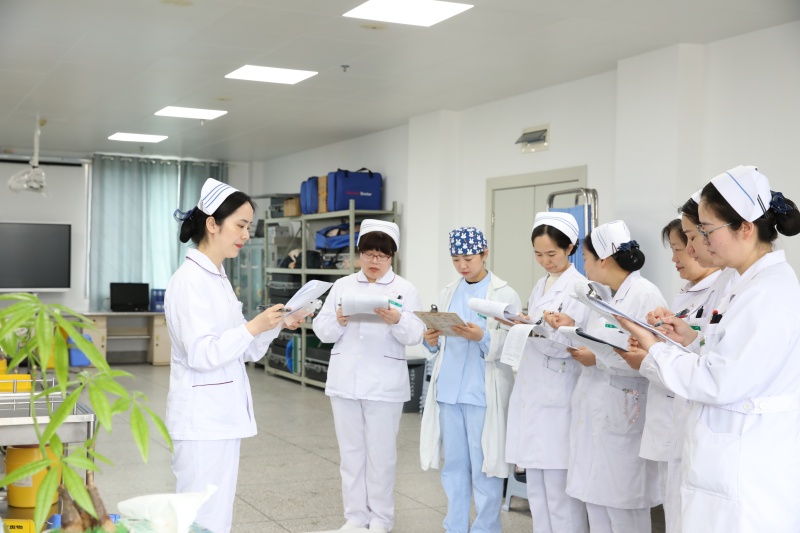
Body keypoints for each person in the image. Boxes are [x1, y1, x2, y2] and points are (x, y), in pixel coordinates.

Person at [620, 166, 800, 532]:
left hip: (746, 467)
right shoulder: (747, 284)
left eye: (706, 230)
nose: (698, 243)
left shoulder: (766, 293)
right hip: (729, 455)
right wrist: (691, 337)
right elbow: (731, 351)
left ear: (745, 228)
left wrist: (656, 350)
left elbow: (718, 380)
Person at [165, 178, 296, 533]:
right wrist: (252, 327)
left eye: (248, 227)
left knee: (217, 516)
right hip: (201, 421)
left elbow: (244, 349)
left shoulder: (218, 278)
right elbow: (202, 353)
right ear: (212, 224)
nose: (246, 235)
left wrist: (275, 325)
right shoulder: (189, 281)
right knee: (199, 519)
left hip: (221, 417)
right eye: (240, 225)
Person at [549, 220, 665, 533]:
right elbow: (604, 338)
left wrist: (597, 358)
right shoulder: (604, 295)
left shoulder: (644, 295)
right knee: (597, 504)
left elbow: (654, 357)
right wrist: (574, 329)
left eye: (586, 258)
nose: (584, 265)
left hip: (624, 409)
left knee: (623, 509)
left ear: (604, 260)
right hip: (598, 406)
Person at [312, 219, 425, 533]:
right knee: (351, 455)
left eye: (381, 256)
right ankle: (355, 518)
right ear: (359, 253)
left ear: (392, 256)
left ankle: (381, 520)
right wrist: (338, 320)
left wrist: (397, 320)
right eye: (368, 254)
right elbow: (322, 330)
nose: (374, 261)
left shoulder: (405, 289)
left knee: (381, 456)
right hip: (345, 381)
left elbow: (415, 334)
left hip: (384, 385)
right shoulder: (343, 286)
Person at [420, 227, 521, 533]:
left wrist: (484, 337)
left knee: (486, 466)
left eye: (468, 258)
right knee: (454, 466)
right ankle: (455, 526)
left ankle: (486, 528)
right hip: (449, 391)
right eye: (456, 259)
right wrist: (430, 340)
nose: (462, 265)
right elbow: (437, 346)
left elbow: (514, 344)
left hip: (482, 392)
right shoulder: (448, 292)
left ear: (484, 254)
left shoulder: (505, 294)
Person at [505, 212, 590, 533]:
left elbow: (572, 343)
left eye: (551, 254)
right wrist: (523, 325)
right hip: (535, 394)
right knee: (537, 493)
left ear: (570, 248)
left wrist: (534, 331)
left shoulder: (581, 288)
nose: (545, 261)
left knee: (559, 496)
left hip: (559, 396)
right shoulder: (541, 285)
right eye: (538, 254)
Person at [635, 217, 721, 532]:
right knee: (674, 512)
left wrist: (649, 354)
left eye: (680, 247)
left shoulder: (721, 293)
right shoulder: (687, 293)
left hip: (696, 420)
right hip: (673, 418)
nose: (675, 258)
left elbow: (704, 362)